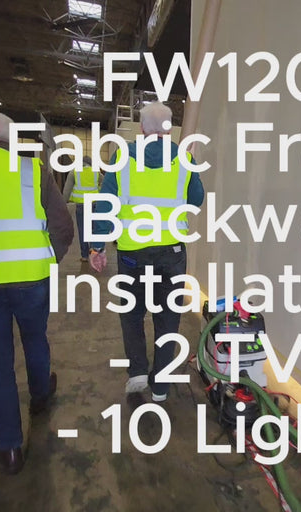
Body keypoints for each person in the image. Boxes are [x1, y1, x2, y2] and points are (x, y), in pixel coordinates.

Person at [0, 111, 74, 474]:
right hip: (31, 279)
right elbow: (63, 226)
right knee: (35, 337)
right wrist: (48, 259)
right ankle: (40, 397)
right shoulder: (32, 171)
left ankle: (10, 447)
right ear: (12, 140)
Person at [89, 102, 204, 402]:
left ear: (141, 128)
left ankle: (138, 373)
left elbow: (106, 205)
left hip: (132, 255)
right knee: (168, 319)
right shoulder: (184, 158)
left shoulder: (122, 157)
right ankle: (161, 387)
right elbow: (196, 200)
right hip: (171, 254)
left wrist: (97, 246)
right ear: (169, 128)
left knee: (132, 315)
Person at [62, 155, 100, 261]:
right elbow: (104, 183)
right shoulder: (96, 172)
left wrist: (63, 204)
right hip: (94, 204)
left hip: (81, 206)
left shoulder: (74, 172)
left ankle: (84, 255)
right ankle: (93, 252)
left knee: (82, 230)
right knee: (93, 230)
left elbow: (67, 190)